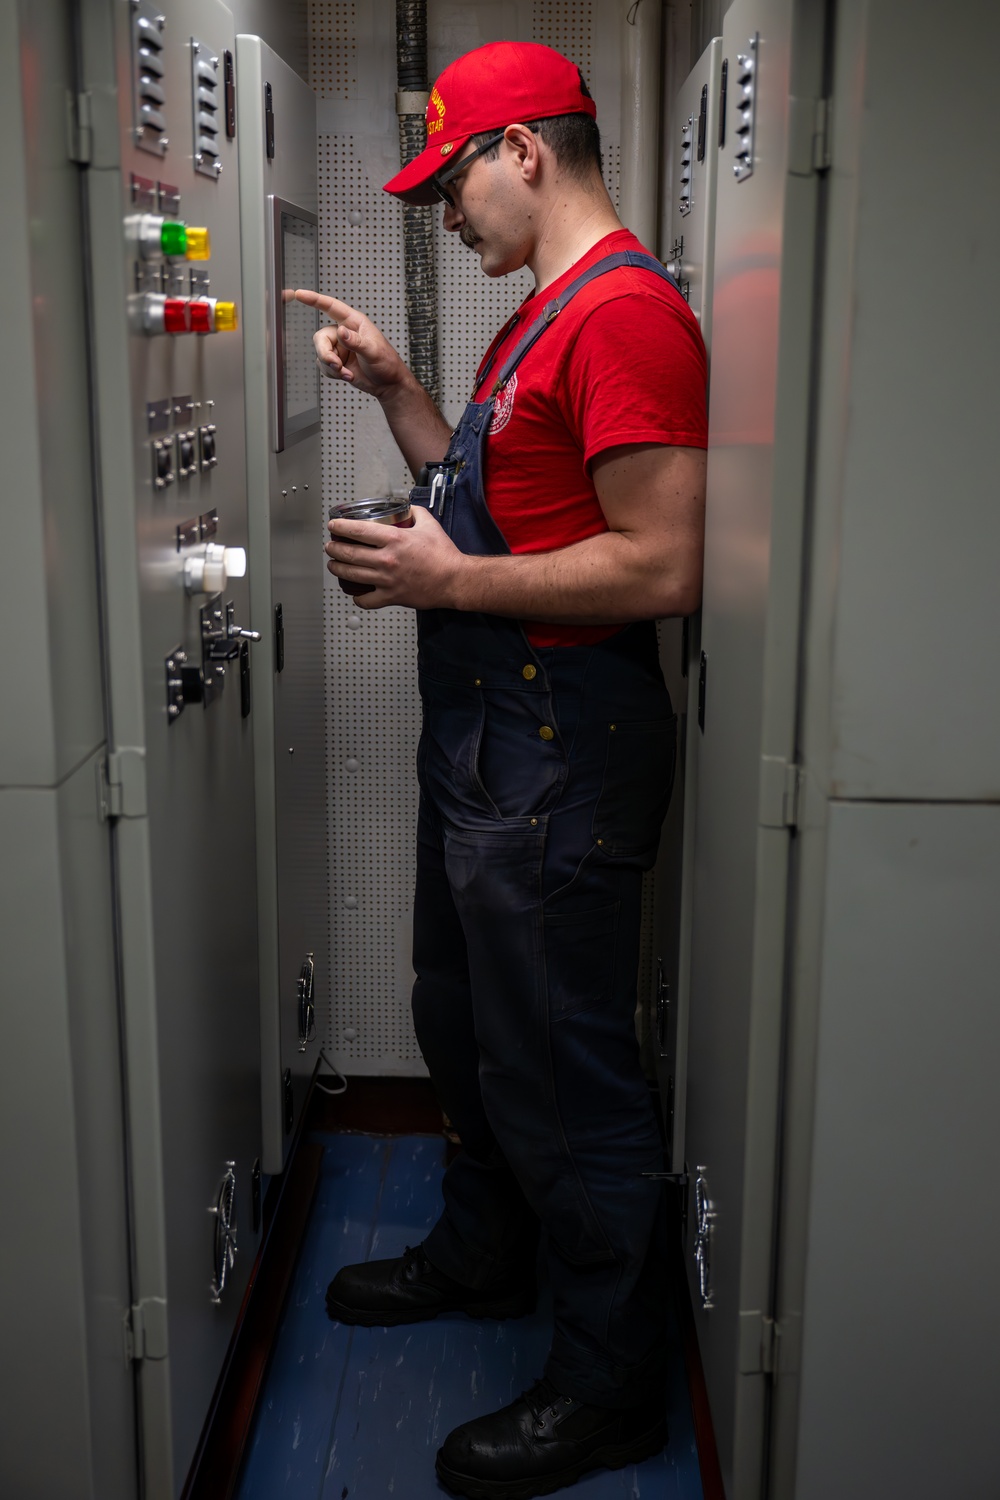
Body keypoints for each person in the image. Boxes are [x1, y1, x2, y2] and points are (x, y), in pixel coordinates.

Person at [295, 38, 707, 1500]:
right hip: (486, 734)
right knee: (464, 1022)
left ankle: (610, 1391)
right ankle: (484, 1254)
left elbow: (661, 564)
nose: (446, 216)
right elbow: (501, 511)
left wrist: (439, 588)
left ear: (524, 152)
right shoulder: (539, 316)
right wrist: (401, 391)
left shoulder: (628, 318)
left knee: (565, 1075)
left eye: (452, 184)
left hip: (558, 746)